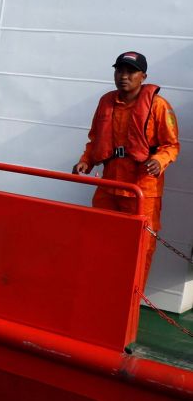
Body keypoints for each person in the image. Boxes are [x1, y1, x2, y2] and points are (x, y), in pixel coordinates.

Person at [72, 51, 180, 289]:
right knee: (101, 241)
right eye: (119, 70)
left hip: (143, 190)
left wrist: (159, 160)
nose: (124, 76)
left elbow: (171, 145)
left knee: (141, 248)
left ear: (143, 76)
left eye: (131, 72)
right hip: (110, 186)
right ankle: (101, 291)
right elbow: (95, 139)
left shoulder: (158, 105)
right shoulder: (106, 101)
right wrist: (86, 161)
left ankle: (130, 300)